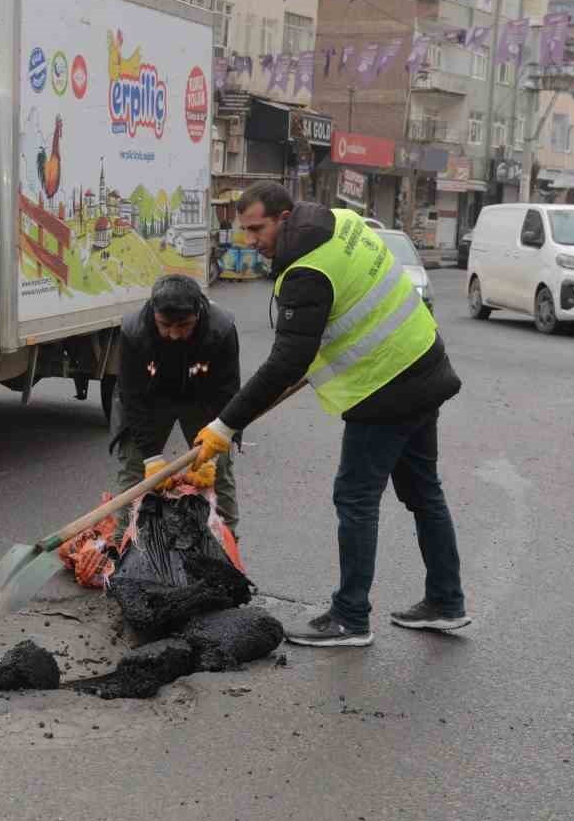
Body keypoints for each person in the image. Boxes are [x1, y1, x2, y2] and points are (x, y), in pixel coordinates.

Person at [191, 182, 467, 648]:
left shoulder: (306, 271)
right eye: (244, 230)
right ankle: (446, 601)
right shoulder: (341, 221)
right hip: (424, 361)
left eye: (257, 228)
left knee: (355, 498)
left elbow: (286, 362)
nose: (251, 240)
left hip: (386, 388)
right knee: (424, 492)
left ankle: (350, 617)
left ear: (283, 216)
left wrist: (224, 425)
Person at [111, 275, 242, 532]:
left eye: (183, 325)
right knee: (134, 473)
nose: (173, 334)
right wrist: (151, 458)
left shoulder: (222, 328)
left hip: (202, 398)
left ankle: (227, 544)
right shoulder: (133, 331)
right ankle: (122, 542)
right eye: (165, 325)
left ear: (198, 312)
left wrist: (212, 455)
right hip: (149, 399)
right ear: (153, 312)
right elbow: (132, 398)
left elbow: (227, 392)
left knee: (218, 475)